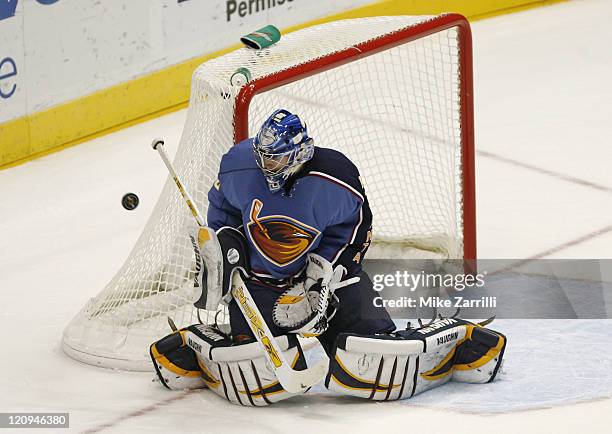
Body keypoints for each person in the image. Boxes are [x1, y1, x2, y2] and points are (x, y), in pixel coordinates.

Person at [150, 109, 506, 406]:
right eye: (264, 156)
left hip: (332, 284)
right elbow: (223, 209)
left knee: (374, 361)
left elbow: (355, 230)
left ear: (300, 153)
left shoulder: (336, 178)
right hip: (260, 284)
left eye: (275, 158)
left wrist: (321, 272)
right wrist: (227, 246)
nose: (266, 165)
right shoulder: (239, 166)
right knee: (255, 376)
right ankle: (201, 342)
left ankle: (451, 340)